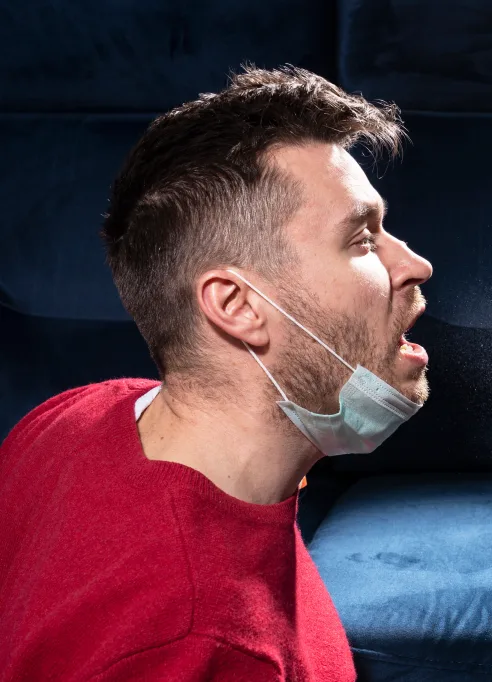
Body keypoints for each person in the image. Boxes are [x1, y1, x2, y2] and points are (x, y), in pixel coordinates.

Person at [0, 66, 432, 681]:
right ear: (238, 306)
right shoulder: (199, 644)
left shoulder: (74, 415)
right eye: (362, 240)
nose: (416, 265)